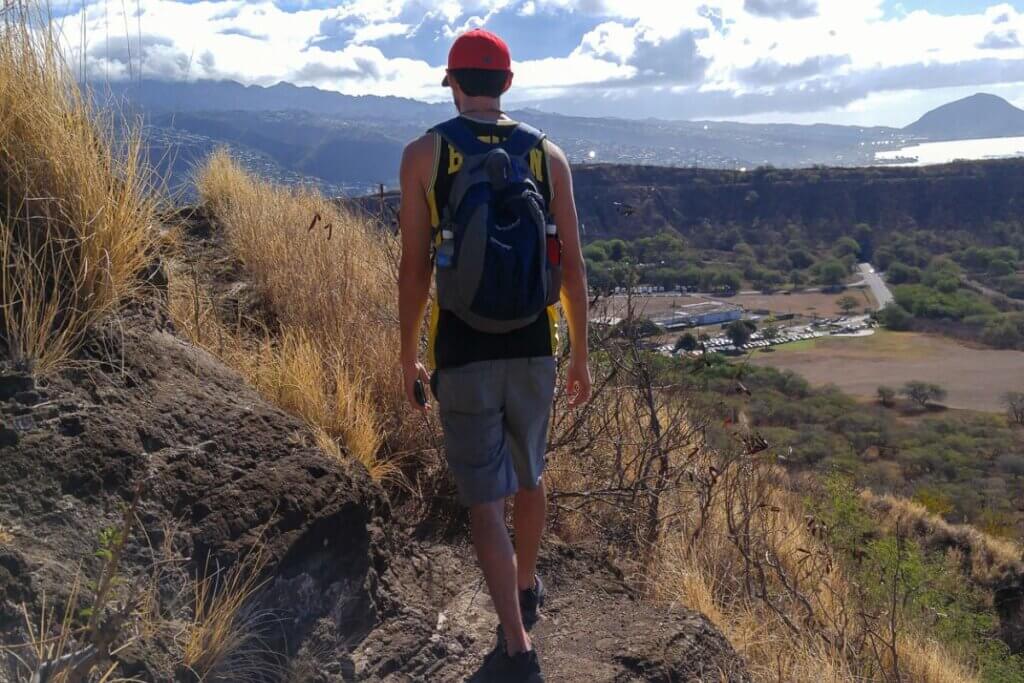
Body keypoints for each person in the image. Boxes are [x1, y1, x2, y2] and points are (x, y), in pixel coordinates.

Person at [398, 28, 591, 683]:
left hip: (463, 347)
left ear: (453, 82)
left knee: (486, 501)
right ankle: (527, 582)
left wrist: (406, 355)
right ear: (507, 84)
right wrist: (580, 356)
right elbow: (572, 269)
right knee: (530, 474)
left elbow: (413, 271)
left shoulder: (426, 155)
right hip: (536, 346)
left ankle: (516, 643)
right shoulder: (548, 156)